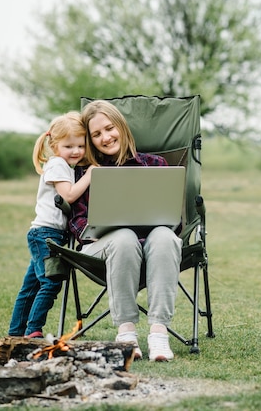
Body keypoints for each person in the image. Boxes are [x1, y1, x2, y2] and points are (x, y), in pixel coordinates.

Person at [69, 100, 182, 362]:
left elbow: (175, 218)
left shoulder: (156, 164)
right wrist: (91, 231)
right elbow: (77, 222)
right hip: (105, 246)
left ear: (121, 126)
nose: (106, 138)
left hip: (154, 244)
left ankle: (158, 333)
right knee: (123, 238)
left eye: (109, 128)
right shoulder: (87, 173)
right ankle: (126, 333)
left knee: (166, 236)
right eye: (96, 135)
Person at [8, 111, 97, 339]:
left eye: (81, 145)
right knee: (51, 281)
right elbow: (67, 196)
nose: (76, 151)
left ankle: (16, 333)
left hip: (47, 234)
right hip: (46, 234)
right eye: (69, 146)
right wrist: (90, 175)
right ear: (55, 145)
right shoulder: (57, 164)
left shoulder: (65, 164)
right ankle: (33, 331)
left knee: (31, 287)